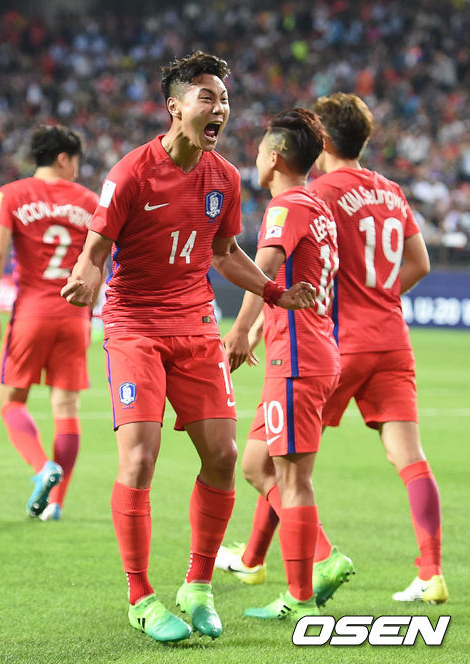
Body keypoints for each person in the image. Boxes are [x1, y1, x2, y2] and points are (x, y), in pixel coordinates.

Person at [61, 51, 316, 644]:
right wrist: (84, 279)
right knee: (140, 458)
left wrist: (274, 293)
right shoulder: (131, 173)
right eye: (208, 97)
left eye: (224, 99)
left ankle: (198, 586)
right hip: (134, 326)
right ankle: (140, 597)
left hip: (196, 324)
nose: (220, 107)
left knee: (224, 456)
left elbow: (225, 253)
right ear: (175, 107)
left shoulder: (224, 178)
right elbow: (96, 252)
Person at [218, 93, 447, 606]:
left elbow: (282, 267)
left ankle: (267, 561)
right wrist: (380, 296)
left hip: (331, 341)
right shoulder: (390, 191)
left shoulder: (315, 193)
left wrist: (249, 329)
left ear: (321, 141)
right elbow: (420, 264)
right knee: (408, 457)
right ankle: (431, 572)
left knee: (279, 462)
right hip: (392, 337)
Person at [217, 107, 342, 625]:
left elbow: (264, 270)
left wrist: (240, 329)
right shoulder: (317, 206)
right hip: (305, 351)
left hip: (297, 358)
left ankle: (302, 594)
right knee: (255, 465)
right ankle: (317, 555)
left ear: (274, 157)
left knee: (294, 480)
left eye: (259, 151)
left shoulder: (286, 206)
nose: (255, 159)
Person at [0, 125, 99, 522]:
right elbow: (100, 259)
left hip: (31, 313)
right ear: (63, 158)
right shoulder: (89, 201)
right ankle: (56, 503)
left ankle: (42, 466)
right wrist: (90, 308)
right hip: (75, 315)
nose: (78, 170)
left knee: (12, 401)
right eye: (76, 161)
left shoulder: (11, 194)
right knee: (67, 408)